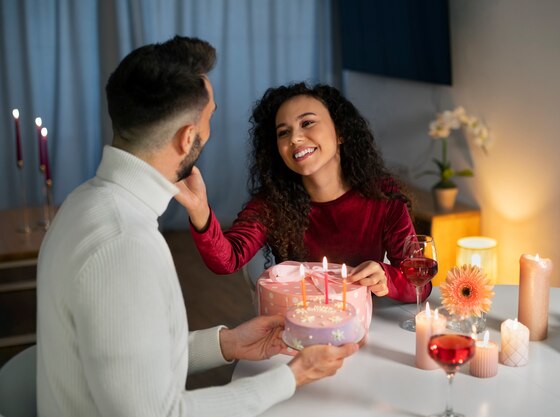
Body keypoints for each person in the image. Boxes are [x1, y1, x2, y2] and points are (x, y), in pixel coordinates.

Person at [36, 36, 358, 417]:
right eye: (210, 119)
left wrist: (227, 344)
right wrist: (292, 377)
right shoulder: (125, 243)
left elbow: (124, 358)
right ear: (188, 137)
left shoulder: (83, 202)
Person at [176, 82, 432, 304]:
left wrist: (385, 276)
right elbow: (227, 260)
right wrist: (199, 211)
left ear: (340, 132)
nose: (295, 139)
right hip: (299, 328)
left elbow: (420, 284)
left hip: (364, 325)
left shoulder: (384, 199)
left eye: (307, 123)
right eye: (283, 132)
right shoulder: (272, 204)